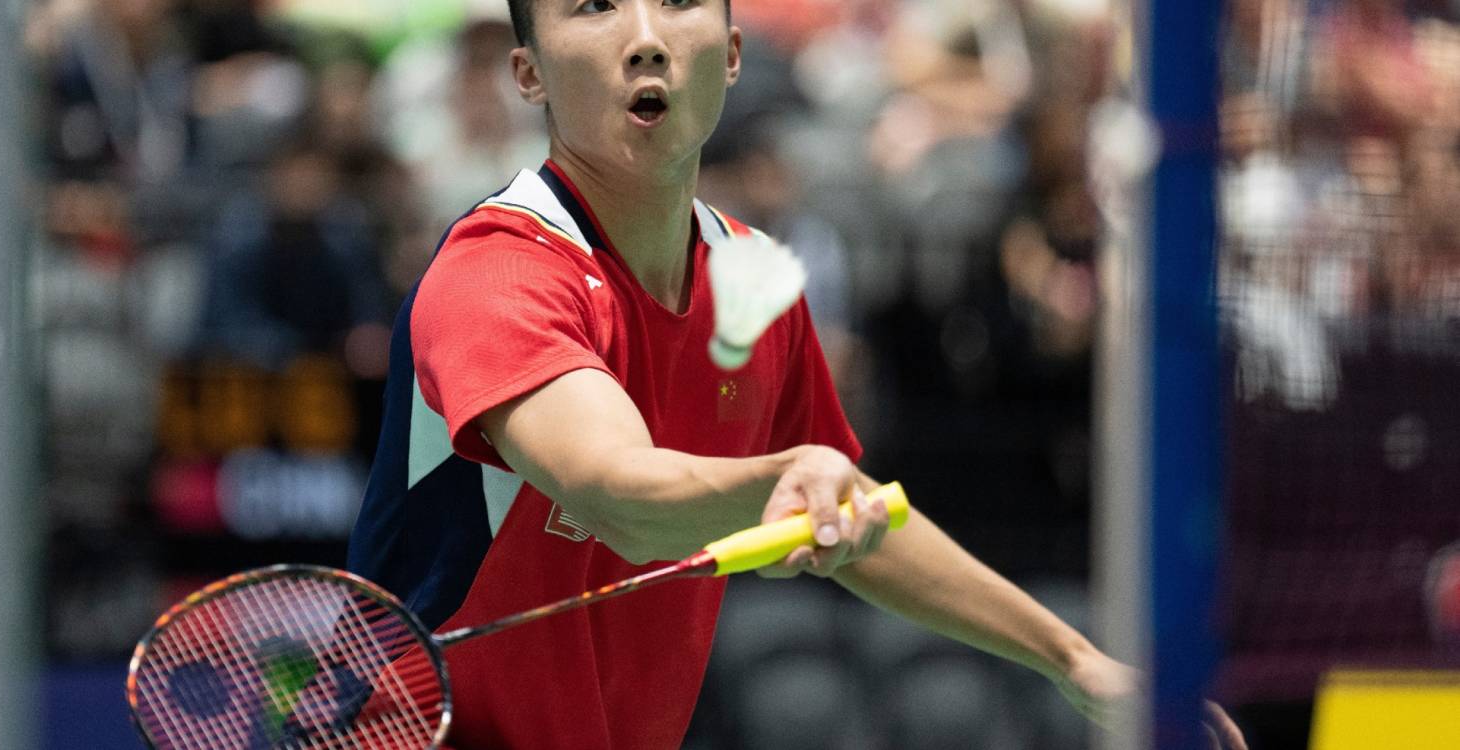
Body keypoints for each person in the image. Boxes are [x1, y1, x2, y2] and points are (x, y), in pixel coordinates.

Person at [347, 1, 1249, 748]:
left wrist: (1074, 661)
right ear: (529, 74)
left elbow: (854, 515)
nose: (647, 35)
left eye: (680, 2)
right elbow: (614, 490)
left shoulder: (751, 287)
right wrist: (781, 484)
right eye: (593, 7)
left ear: (733, 55)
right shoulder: (496, 272)